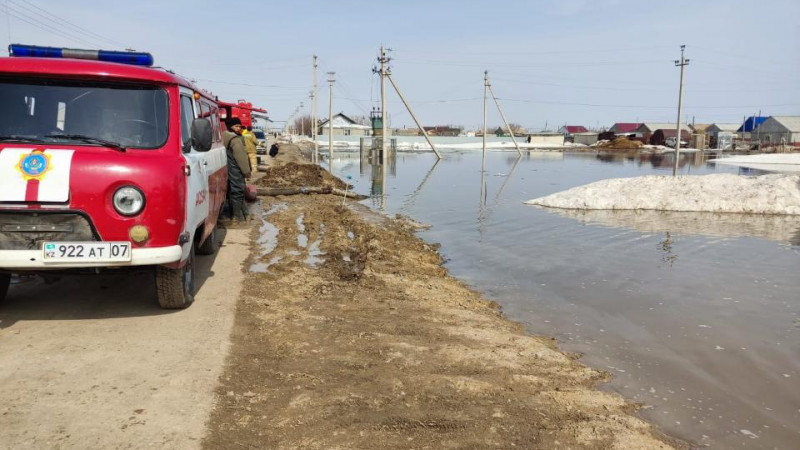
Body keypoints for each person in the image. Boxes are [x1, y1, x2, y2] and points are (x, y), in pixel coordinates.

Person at [223, 117, 251, 221]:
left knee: (233, 191)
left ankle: (245, 215)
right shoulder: (234, 139)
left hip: (226, 169)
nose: (239, 128)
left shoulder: (223, 135)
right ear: (231, 127)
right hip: (235, 169)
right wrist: (247, 172)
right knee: (238, 191)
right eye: (236, 126)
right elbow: (241, 158)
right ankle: (236, 217)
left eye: (240, 126)